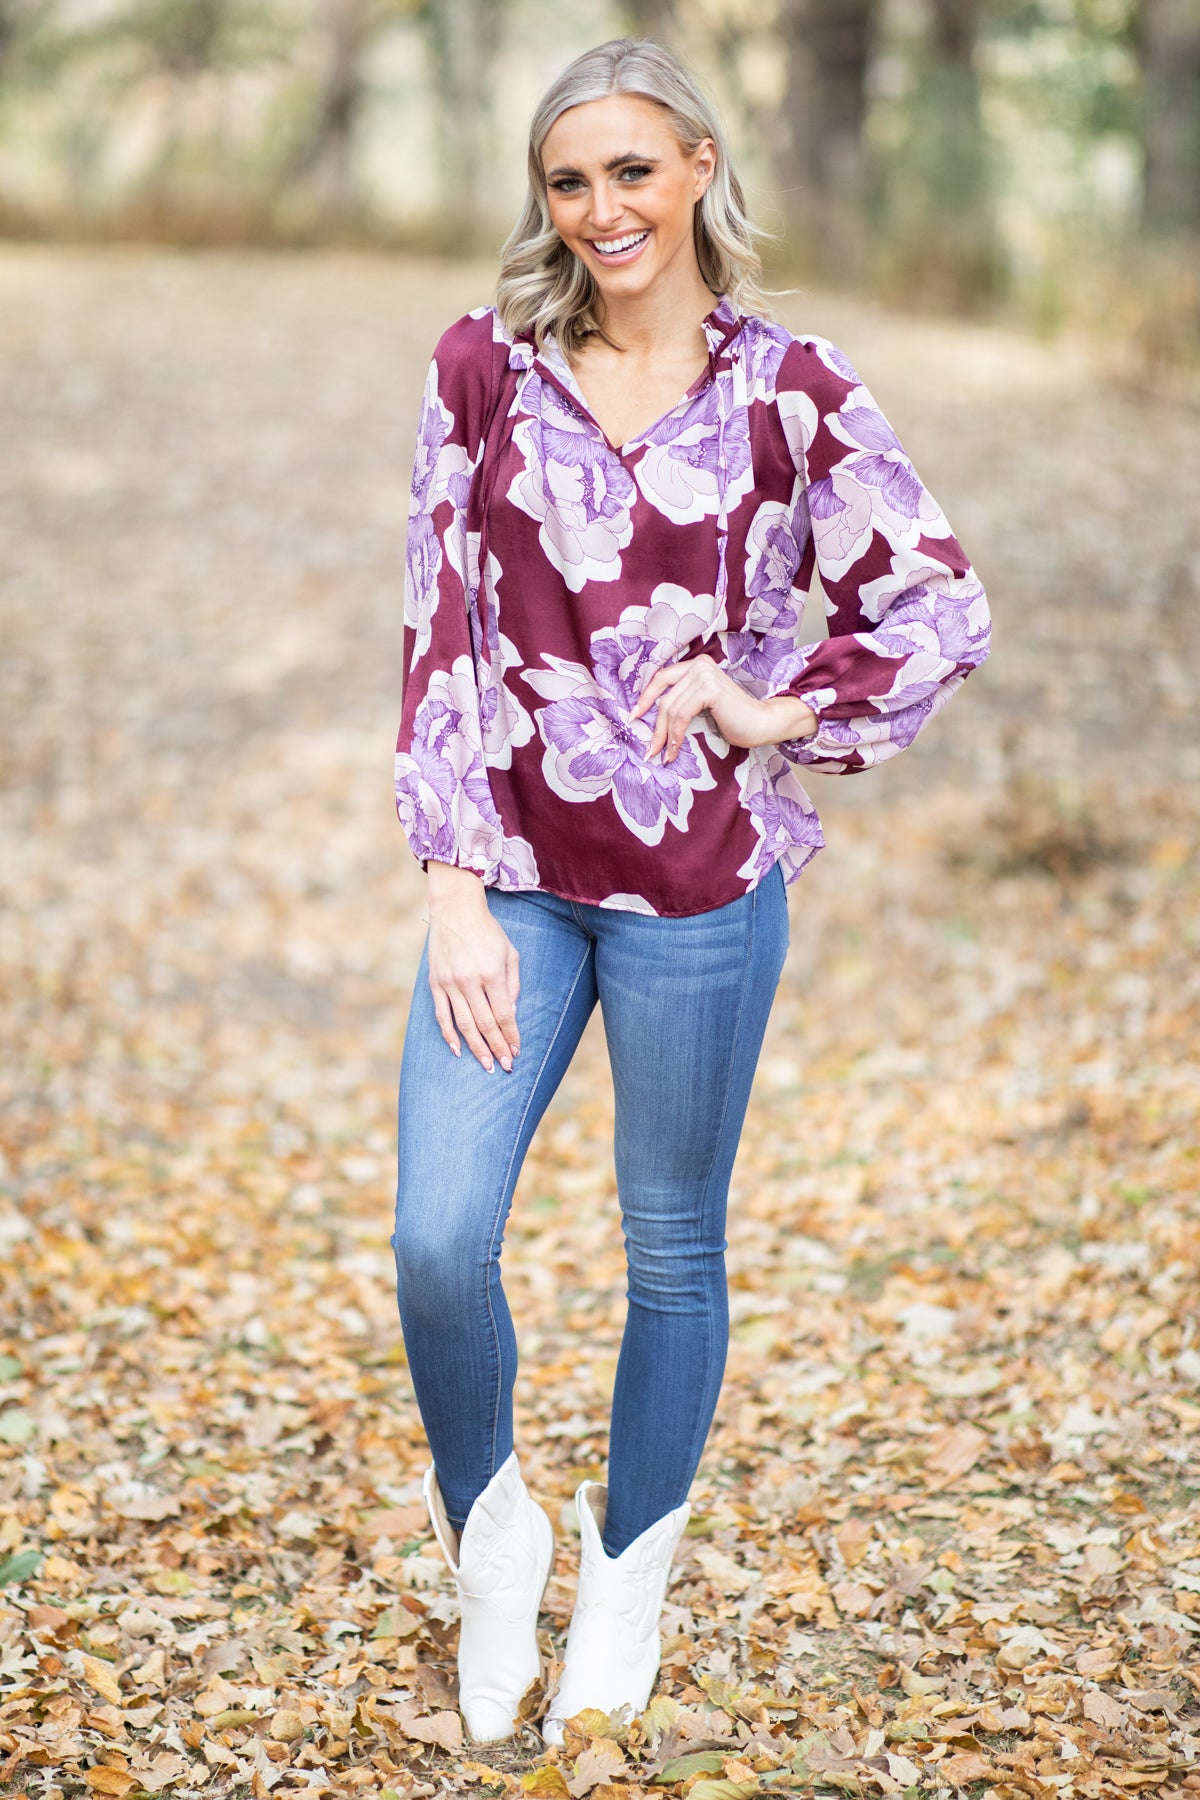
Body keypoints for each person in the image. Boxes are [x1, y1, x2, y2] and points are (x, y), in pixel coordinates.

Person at [391, 35, 990, 1748]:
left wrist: (778, 702)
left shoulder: (792, 383)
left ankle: (627, 1567)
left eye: (633, 171)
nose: (600, 211)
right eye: (570, 181)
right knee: (438, 1240)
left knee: (671, 1252)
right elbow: (439, 630)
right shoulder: (484, 367)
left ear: (704, 164)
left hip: (706, 896)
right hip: (508, 879)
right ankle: (491, 1535)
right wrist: (446, 886)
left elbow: (939, 605)